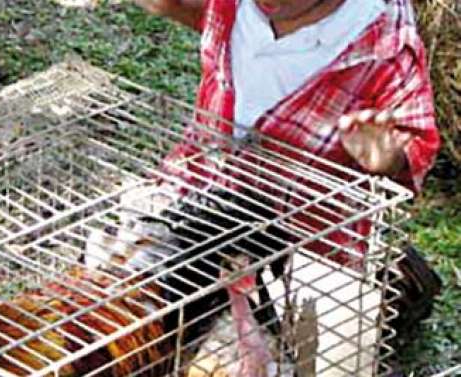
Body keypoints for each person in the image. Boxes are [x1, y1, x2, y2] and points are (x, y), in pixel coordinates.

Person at [134, 0, 441, 348]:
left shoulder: (383, 46)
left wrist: (388, 157)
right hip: (203, 187)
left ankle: (401, 283)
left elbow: (418, 143)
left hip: (301, 235)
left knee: (295, 344)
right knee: (135, 287)